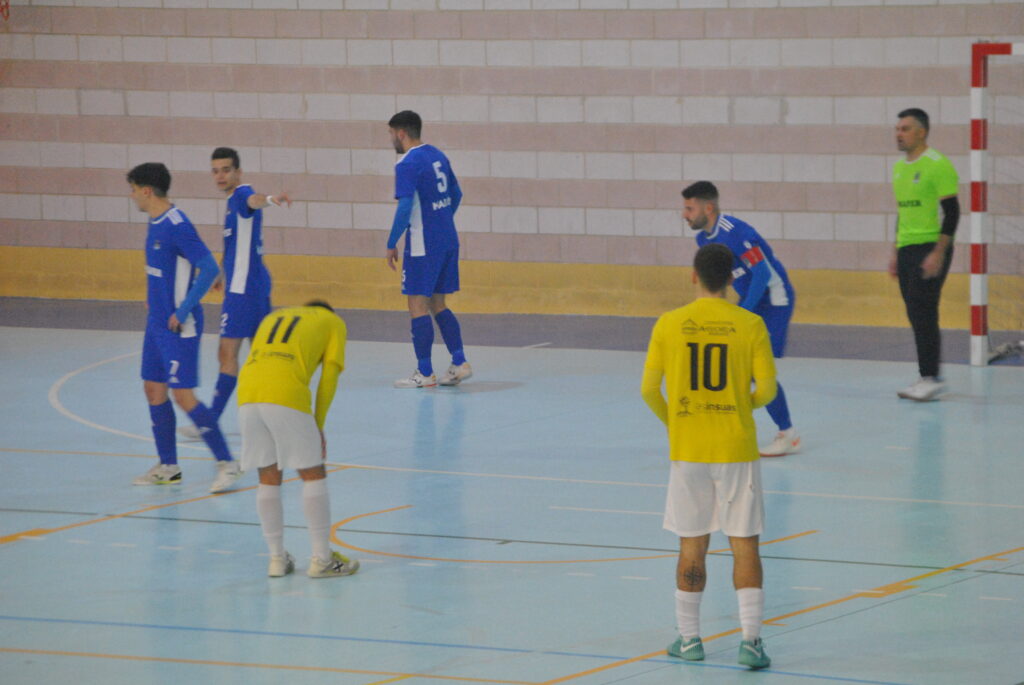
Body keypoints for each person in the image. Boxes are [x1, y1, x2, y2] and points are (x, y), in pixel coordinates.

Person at [641, 242, 777, 670]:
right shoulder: (750, 324)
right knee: (745, 543)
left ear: (694, 276)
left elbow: (649, 390)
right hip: (736, 448)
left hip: (689, 450)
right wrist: (738, 407)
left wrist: (677, 423)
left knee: (692, 543)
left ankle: (689, 640)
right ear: (732, 279)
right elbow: (767, 391)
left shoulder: (669, 324)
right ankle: (751, 642)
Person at [128, 162, 242, 493]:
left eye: (133, 190)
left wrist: (183, 309)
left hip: (179, 325)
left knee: (183, 396)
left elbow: (209, 268)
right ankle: (168, 466)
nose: (132, 196)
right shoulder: (155, 221)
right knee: (153, 389)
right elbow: (162, 270)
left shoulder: (176, 224)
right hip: (156, 323)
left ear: (146, 191)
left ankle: (227, 463)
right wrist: (154, 299)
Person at [237, 300, 360, 578]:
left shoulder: (274, 317)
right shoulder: (333, 322)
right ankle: (323, 560)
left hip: (247, 394)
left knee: (268, 475)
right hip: (285, 394)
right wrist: (318, 425)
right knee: (312, 473)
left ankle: (277, 559)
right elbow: (329, 377)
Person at [178, 147, 291, 439]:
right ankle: (277, 419)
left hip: (243, 293)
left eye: (226, 170)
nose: (220, 176)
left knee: (227, 354)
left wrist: (270, 199)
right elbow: (236, 245)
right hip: (252, 286)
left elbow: (254, 201)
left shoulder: (241, 194)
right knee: (261, 357)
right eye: (215, 171)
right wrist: (221, 271)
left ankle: (209, 422)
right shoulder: (231, 203)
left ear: (238, 172)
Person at [681, 181, 799, 457]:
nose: (684, 215)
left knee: (758, 370)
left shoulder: (738, 233)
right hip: (750, 303)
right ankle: (727, 428)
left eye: (689, 209)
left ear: (708, 208)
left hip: (774, 302)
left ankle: (788, 435)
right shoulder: (703, 240)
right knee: (734, 366)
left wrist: (741, 313)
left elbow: (762, 274)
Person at [385, 110, 472, 389]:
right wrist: (441, 219)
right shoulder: (437, 155)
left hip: (423, 244)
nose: (391, 139)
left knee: (417, 304)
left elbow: (405, 207)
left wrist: (391, 242)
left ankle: (424, 372)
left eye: (391, 134)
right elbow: (456, 194)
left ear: (401, 133)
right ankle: (459, 362)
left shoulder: (407, 163)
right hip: (448, 239)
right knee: (438, 303)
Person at [890, 108, 960, 402]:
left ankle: (932, 377)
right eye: (897, 129)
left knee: (924, 310)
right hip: (906, 248)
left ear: (922, 132)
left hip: (931, 247)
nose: (899, 134)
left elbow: (952, 212)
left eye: (905, 129)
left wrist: (938, 253)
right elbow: (902, 213)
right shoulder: (899, 168)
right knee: (914, 312)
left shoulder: (937, 164)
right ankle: (926, 376)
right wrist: (895, 252)